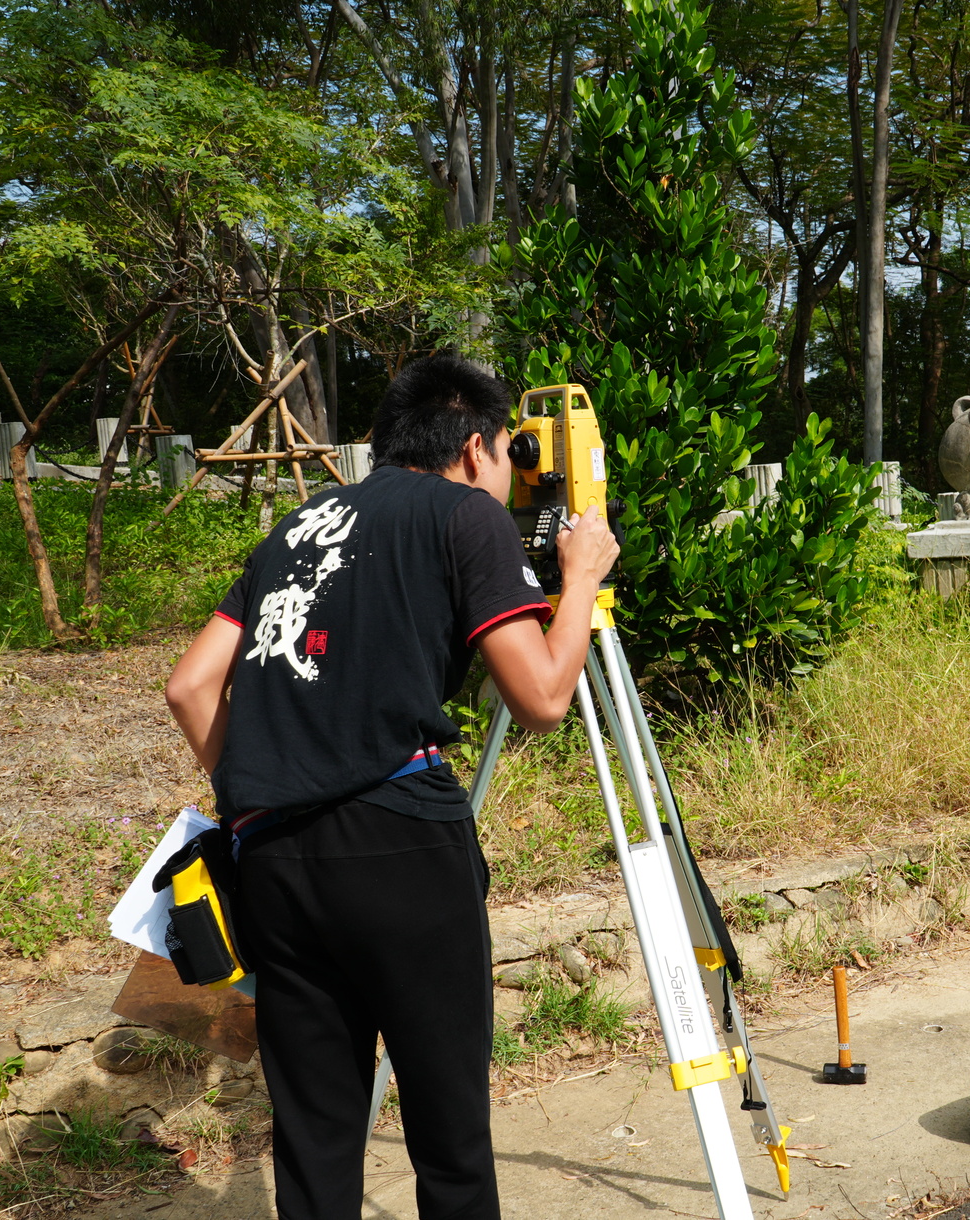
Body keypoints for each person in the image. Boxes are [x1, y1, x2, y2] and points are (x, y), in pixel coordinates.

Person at [163, 353, 620, 1220]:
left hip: (270, 858)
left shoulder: (298, 526)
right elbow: (543, 699)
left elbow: (190, 687)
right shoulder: (464, 516)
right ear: (480, 448)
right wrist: (582, 574)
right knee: (448, 1142)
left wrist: (270, 786)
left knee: (314, 1142)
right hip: (401, 849)